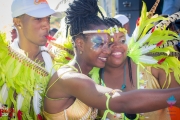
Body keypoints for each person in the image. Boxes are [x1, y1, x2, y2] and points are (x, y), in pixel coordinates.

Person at [43, 0, 180, 120]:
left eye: (108, 43)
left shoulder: (85, 74)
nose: (108, 50)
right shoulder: (68, 77)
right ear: (80, 44)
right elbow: (121, 102)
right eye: (100, 43)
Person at [0, 0, 56, 119]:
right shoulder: (2, 63)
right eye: (38, 19)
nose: (46, 25)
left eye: (48, 18)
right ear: (18, 23)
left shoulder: (55, 61)